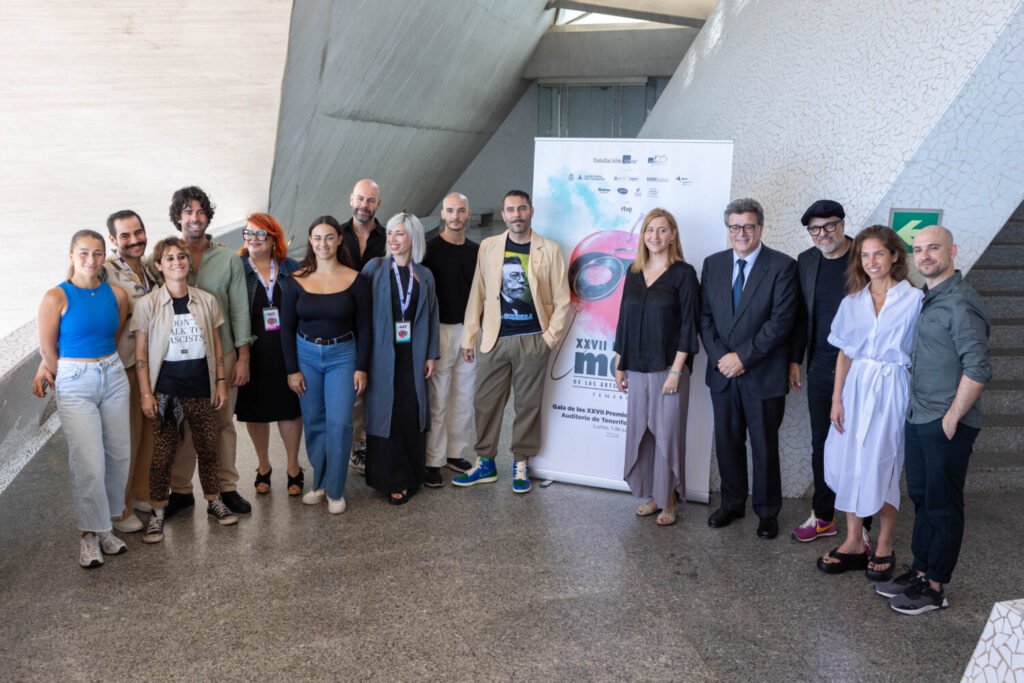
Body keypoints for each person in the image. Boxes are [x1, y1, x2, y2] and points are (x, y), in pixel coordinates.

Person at [879, 226, 991, 615]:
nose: (925, 256)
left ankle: (935, 588)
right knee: (923, 500)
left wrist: (953, 417)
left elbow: (978, 368)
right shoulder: (929, 298)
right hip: (920, 415)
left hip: (945, 422)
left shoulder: (960, 303)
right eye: (919, 249)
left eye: (934, 248)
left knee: (943, 505)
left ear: (953, 251)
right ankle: (921, 572)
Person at [33, 209, 158, 534]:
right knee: (106, 450)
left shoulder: (146, 271)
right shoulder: (101, 276)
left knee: (137, 439)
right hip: (112, 369)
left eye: (138, 232)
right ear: (113, 243)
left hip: (140, 365)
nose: (134, 239)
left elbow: (107, 330)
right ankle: (116, 514)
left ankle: (138, 496)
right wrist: (48, 367)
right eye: (125, 235)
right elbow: (61, 331)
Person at [815, 226, 922, 580]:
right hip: (855, 388)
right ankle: (853, 542)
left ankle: (885, 543)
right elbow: (844, 354)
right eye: (864, 255)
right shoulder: (853, 302)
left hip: (892, 387)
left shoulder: (915, 300)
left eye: (878, 253)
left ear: (894, 255)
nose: (871, 261)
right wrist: (836, 399)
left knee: (885, 462)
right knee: (851, 460)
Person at [454, 190, 571, 493]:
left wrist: (548, 339)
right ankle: (486, 462)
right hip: (495, 338)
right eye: (510, 210)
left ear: (531, 211)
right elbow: (477, 293)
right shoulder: (490, 247)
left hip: (532, 339)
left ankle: (521, 461)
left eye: (521, 209)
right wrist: (469, 337)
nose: (516, 215)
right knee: (485, 402)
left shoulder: (550, 249)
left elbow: (562, 300)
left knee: (528, 405)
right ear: (503, 214)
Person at [699, 198, 797, 539]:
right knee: (727, 441)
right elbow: (705, 316)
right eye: (735, 227)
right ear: (728, 230)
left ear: (761, 228)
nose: (741, 233)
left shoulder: (783, 266)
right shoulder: (713, 265)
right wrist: (720, 358)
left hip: (763, 374)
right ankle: (732, 503)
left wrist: (742, 358)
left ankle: (767, 511)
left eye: (749, 226)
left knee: (764, 445)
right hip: (722, 374)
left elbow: (781, 322)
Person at [34, 229, 131, 568]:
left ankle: (105, 527)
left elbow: (113, 334)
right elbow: (48, 348)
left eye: (98, 253)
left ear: (105, 256)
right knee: (88, 460)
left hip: (113, 375)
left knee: (118, 454)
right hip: (74, 380)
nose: (91, 260)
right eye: (84, 253)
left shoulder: (116, 295)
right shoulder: (55, 297)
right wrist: (53, 372)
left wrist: (103, 364)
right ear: (72, 256)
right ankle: (88, 537)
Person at [132, 237, 237, 542]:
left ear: (189, 263)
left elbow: (216, 346)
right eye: (169, 258)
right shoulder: (148, 305)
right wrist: (146, 394)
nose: (176, 262)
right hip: (166, 393)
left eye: (181, 257)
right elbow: (140, 354)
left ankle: (213, 500)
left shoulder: (206, 301)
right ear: (159, 266)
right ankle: (158, 512)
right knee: (162, 455)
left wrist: (220, 382)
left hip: (201, 389)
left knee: (207, 448)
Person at [163, 186, 254, 517]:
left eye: (200, 211)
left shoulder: (228, 258)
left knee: (222, 422)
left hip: (223, 353)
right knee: (183, 424)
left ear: (208, 217)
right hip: (181, 357)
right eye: (188, 212)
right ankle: (182, 490)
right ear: (178, 217)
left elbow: (240, 310)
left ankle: (227, 488)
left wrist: (243, 357)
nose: (195, 218)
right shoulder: (163, 256)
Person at [789, 200, 873, 550]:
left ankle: (862, 525)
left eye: (830, 226)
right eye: (815, 229)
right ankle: (824, 517)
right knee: (822, 443)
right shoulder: (806, 261)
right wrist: (795, 360)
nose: (823, 234)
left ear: (842, 224)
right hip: (822, 366)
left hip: (865, 368)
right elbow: (799, 316)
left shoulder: (866, 256)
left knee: (862, 444)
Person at [613, 209, 700, 526]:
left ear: (673, 234)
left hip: (669, 368)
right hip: (636, 367)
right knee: (644, 434)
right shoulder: (633, 272)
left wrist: (677, 370)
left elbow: (689, 326)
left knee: (668, 435)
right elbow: (624, 320)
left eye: (662, 230)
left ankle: (670, 499)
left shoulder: (684, 274)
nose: (655, 236)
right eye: (650, 229)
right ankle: (653, 495)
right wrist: (620, 362)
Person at [281, 216, 370, 514]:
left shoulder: (356, 280)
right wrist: (292, 369)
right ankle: (318, 483)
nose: (323, 244)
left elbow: (366, 327)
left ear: (340, 240)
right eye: (317, 238)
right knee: (315, 422)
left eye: (329, 237)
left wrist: (361, 367)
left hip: (343, 355)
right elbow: (286, 329)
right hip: (306, 356)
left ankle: (335, 490)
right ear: (310, 241)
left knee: (341, 423)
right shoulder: (296, 281)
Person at [361, 213, 440, 504]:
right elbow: (360, 313)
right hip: (382, 355)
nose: (393, 240)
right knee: (386, 414)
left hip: (413, 355)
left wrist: (431, 354)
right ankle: (388, 478)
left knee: (409, 412)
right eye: (391, 233)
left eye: (400, 234)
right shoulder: (376, 268)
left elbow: (432, 316)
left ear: (413, 238)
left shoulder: (425, 275)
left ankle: (410, 476)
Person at [235, 213, 304, 496]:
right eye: (248, 233)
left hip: (287, 350)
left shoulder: (291, 267)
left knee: (289, 409)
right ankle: (263, 466)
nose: (253, 239)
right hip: (252, 351)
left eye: (260, 234)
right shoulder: (238, 268)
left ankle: (293, 467)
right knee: (256, 411)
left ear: (274, 237)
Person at [421, 192, 479, 486]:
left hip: (469, 331)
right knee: (439, 397)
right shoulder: (429, 251)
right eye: (450, 211)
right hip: (441, 330)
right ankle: (433, 459)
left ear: (469, 214)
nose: (455, 216)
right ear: (442, 215)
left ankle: (455, 452)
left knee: (464, 395)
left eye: (461, 211)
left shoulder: (476, 251)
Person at [341, 179, 386, 476]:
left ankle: (377, 442)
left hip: (380, 319)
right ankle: (356, 446)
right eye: (360, 199)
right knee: (353, 387)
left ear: (378, 205)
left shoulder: (387, 236)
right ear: (351, 199)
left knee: (379, 383)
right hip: (344, 320)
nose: (364, 205)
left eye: (370, 201)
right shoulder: (336, 234)